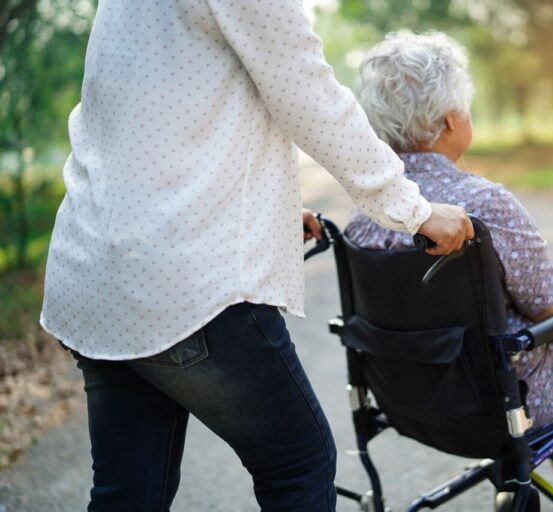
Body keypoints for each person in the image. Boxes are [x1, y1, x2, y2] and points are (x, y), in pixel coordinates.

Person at [40, 4, 474, 511]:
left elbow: (159, 119)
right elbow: (307, 94)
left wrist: (266, 207)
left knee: (129, 494)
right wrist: (413, 209)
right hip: (182, 279)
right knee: (298, 464)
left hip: (99, 269)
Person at [344, 31, 553, 506]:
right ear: (452, 121)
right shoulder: (483, 205)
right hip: (502, 404)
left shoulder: (361, 217)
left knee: (532, 354)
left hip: (407, 400)